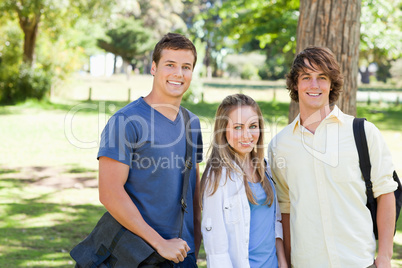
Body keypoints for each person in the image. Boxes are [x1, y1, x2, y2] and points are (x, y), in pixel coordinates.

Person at [268, 46, 397, 268]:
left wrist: (384, 257)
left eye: (322, 77)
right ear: (295, 84)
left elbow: (385, 193)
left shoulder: (364, 133)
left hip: (358, 262)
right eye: (306, 77)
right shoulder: (280, 145)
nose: (314, 85)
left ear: (332, 84)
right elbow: (286, 209)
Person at [97, 32, 203, 267]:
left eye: (186, 67)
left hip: (182, 254)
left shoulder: (192, 123)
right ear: (154, 68)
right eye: (170, 65)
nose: (178, 73)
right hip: (137, 255)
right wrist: (160, 243)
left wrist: (193, 248)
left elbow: (193, 192)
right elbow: (109, 193)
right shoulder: (126, 121)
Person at [201, 94, 287, 268]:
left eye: (253, 126)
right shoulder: (217, 176)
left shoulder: (265, 168)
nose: (247, 135)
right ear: (223, 130)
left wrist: (283, 263)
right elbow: (216, 246)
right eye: (238, 127)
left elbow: (274, 224)